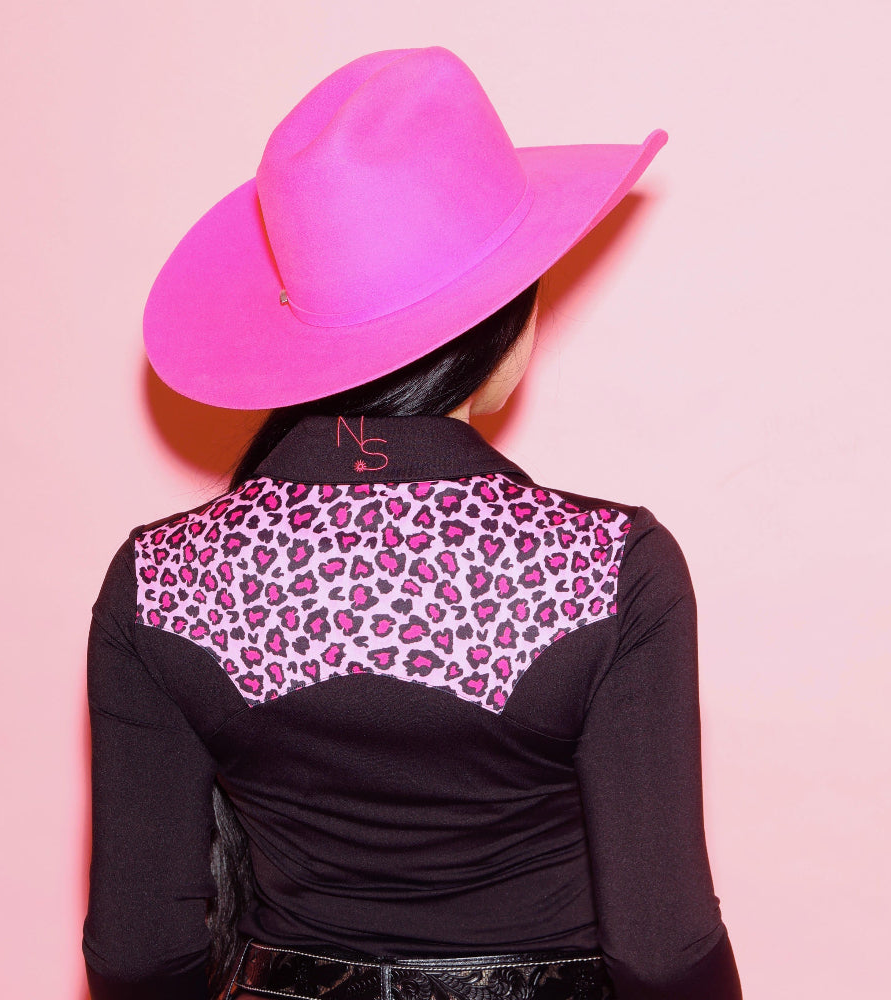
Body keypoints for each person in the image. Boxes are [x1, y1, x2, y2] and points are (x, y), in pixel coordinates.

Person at [83, 47, 742, 1000]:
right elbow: (665, 951)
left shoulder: (160, 578)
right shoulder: (608, 569)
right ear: (503, 313)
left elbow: (140, 955)